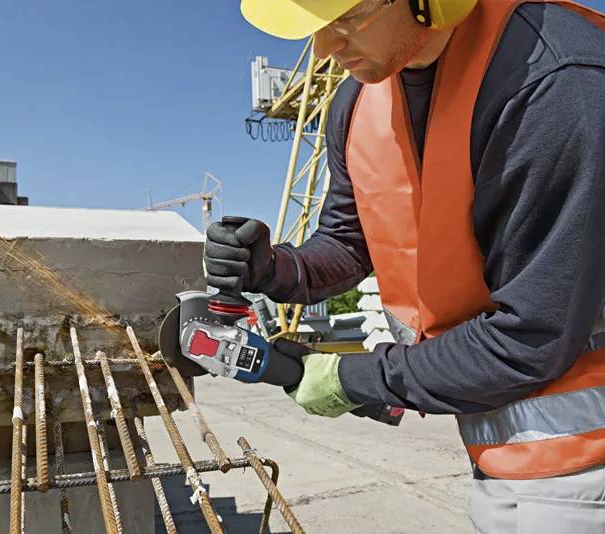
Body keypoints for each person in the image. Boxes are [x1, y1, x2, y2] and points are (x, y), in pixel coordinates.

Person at [204, 0, 605, 531]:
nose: (324, 49)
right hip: (500, 446)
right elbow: (349, 242)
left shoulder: (555, 80)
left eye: (345, 20)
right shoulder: (358, 101)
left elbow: (532, 336)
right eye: (315, 29)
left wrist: (357, 378)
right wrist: (274, 269)